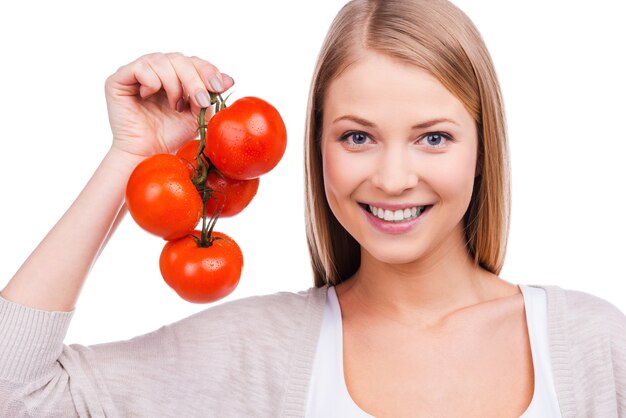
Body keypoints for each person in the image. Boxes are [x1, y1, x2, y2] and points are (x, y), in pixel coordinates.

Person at [1, 0, 625, 417]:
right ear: (317, 149)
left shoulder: (593, 345)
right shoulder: (262, 349)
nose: (394, 177)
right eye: (358, 137)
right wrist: (130, 157)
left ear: (483, 149)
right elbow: (17, 392)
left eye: (433, 137)